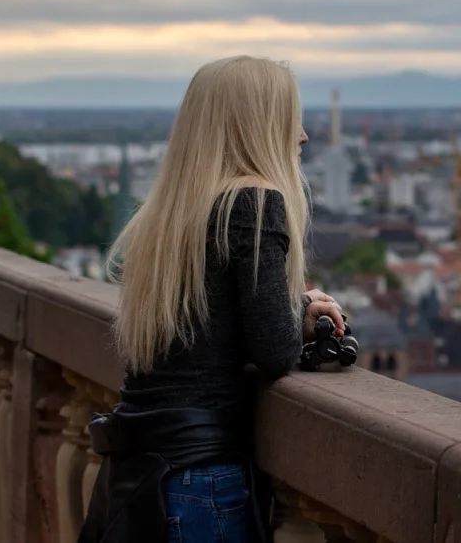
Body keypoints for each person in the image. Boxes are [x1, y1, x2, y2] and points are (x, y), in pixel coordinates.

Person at [79, 56, 346, 543]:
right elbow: (274, 352)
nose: (303, 135)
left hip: (141, 467)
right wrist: (300, 312)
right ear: (255, 126)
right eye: (290, 119)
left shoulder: (166, 213)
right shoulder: (257, 202)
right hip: (201, 475)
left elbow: (206, 326)